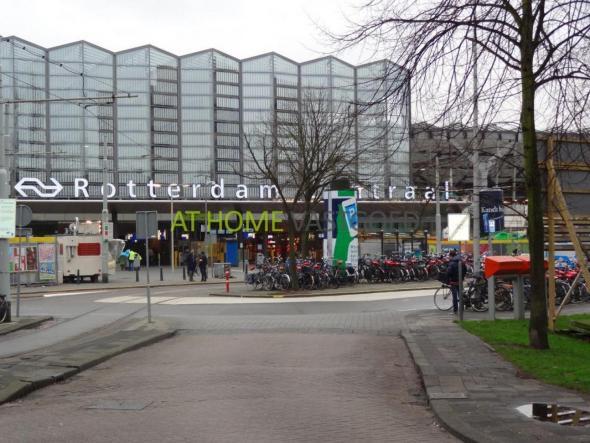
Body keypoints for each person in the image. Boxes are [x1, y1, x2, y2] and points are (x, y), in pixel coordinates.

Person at [446, 249, 467, 314]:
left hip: (453, 282)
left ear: (451, 256)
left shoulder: (451, 263)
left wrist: (448, 279)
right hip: (460, 281)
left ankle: (455, 310)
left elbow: (448, 272)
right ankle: (462, 309)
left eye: (449, 256)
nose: (449, 257)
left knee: (454, 296)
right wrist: (462, 277)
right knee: (460, 295)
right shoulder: (461, 261)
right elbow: (465, 270)